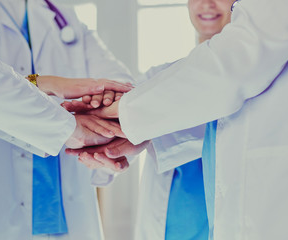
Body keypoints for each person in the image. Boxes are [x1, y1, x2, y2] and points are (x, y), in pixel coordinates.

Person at [68, 0, 288, 239]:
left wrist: (121, 116)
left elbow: (232, 72)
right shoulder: (165, 79)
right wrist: (125, 128)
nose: (206, 4)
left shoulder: (246, 57)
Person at [0, 0, 133, 239]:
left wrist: (108, 111)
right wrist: (46, 86)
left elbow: (118, 82)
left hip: (65, 205)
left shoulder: (61, 13)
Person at [66, 0, 234, 239]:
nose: (206, 4)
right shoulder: (159, 77)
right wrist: (106, 144)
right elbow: (128, 131)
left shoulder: (258, 82)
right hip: (169, 226)